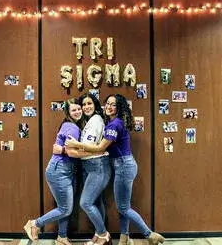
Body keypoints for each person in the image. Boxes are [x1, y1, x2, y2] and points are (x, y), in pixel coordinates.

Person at [65, 94, 165, 245]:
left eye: (114, 105)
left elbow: (100, 147)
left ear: (119, 108)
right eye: (108, 104)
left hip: (123, 166)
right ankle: (124, 238)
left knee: (123, 207)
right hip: (122, 165)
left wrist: (76, 145)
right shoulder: (111, 122)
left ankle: (149, 234)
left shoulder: (114, 125)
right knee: (124, 206)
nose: (110, 107)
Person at [54, 93, 112, 245]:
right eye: (83, 105)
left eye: (89, 104)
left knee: (85, 203)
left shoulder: (96, 120)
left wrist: (72, 149)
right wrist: (69, 150)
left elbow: (93, 148)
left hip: (97, 165)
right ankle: (98, 236)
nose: (86, 107)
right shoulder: (87, 121)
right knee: (97, 201)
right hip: (89, 165)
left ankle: (103, 234)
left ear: (95, 105)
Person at [24, 98, 83, 245]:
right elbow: (71, 152)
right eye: (73, 110)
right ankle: (35, 224)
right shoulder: (73, 127)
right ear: (68, 113)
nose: (77, 112)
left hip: (65, 170)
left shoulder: (70, 125)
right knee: (65, 208)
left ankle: (62, 237)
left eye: (78, 108)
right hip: (60, 171)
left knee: (64, 207)